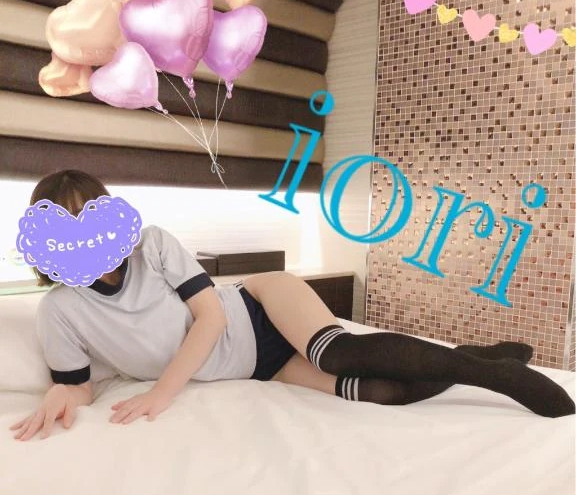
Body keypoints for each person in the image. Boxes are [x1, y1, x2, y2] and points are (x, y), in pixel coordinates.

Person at [10, 170, 575, 441]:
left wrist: (163, 392)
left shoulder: (152, 245)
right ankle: (478, 356)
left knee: (340, 354)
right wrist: (59, 399)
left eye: (89, 217)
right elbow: (77, 385)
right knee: (380, 393)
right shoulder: (60, 311)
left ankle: (497, 376)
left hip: (258, 306)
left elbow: (210, 316)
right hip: (260, 365)